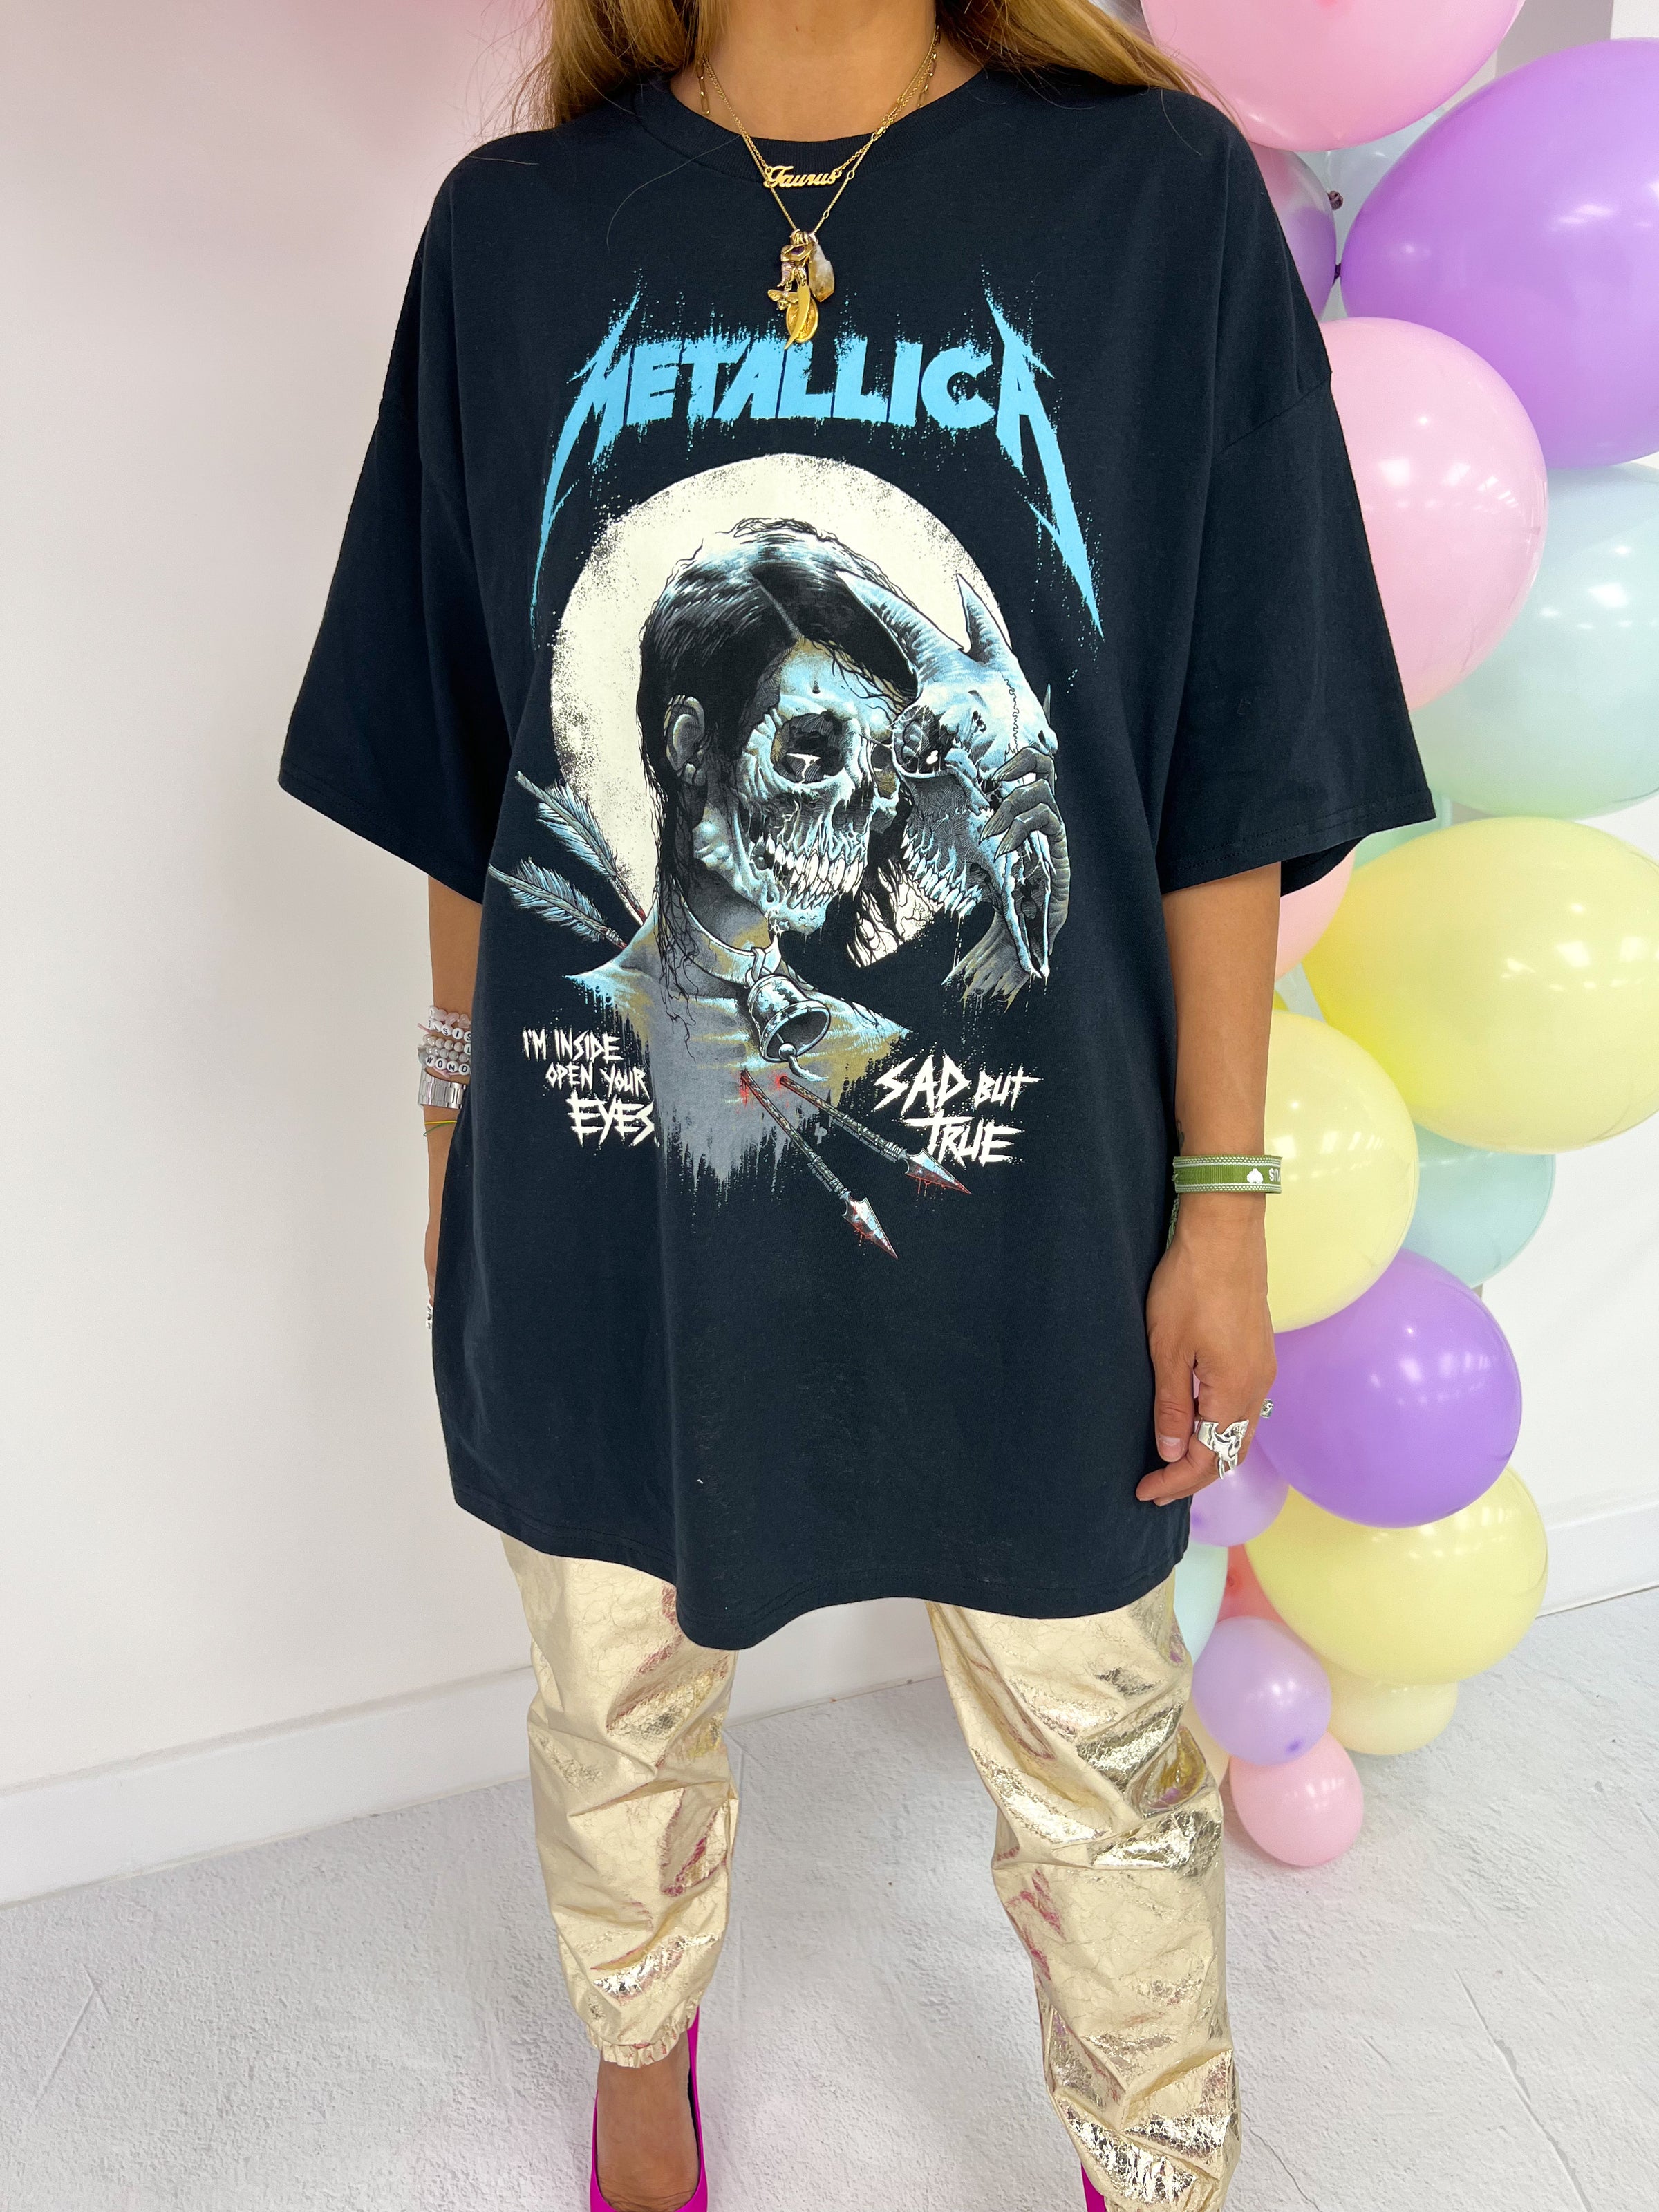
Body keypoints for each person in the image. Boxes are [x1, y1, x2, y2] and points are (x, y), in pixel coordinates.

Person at [280, 2, 1434, 2204]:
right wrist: (450, 1121)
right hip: (608, 1174)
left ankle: (1157, 2157)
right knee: (610, 1687)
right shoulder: (514, 234)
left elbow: (1234, 749)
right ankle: (639, 2063)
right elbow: (466, 746)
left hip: (1043, 1199)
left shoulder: (1154, 201)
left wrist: (1222, 1197)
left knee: (1102, 1740)